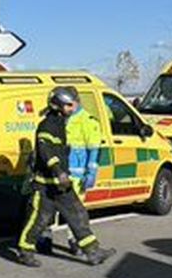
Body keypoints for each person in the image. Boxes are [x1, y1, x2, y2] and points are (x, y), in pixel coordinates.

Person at [17, 86, 116, 267]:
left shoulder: (61, 122)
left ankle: (93, 252)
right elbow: (45, 150)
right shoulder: (48, 125)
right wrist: (58, 171)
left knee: (78, 214)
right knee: (39, 219)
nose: (73, 108)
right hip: (46, 184)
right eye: (69, 105)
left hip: (61, 184)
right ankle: (25, 251)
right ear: (58, 106)